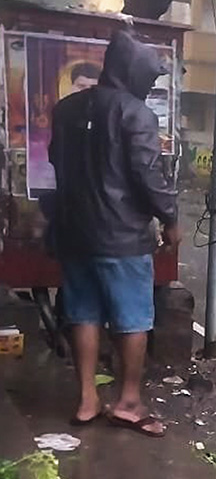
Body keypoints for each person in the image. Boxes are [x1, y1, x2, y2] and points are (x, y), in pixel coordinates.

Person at [48, 29, 178, 436]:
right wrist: (171, 217)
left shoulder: (66, 109)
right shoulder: (135, 114)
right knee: (133, 318)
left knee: (83, 313)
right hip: (122, 238)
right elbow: (146, 175)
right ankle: (128, 402)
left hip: (75, 234)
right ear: (133, 71)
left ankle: (87, 399)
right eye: (149, 76)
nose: (151, 84)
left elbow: (56, 160)